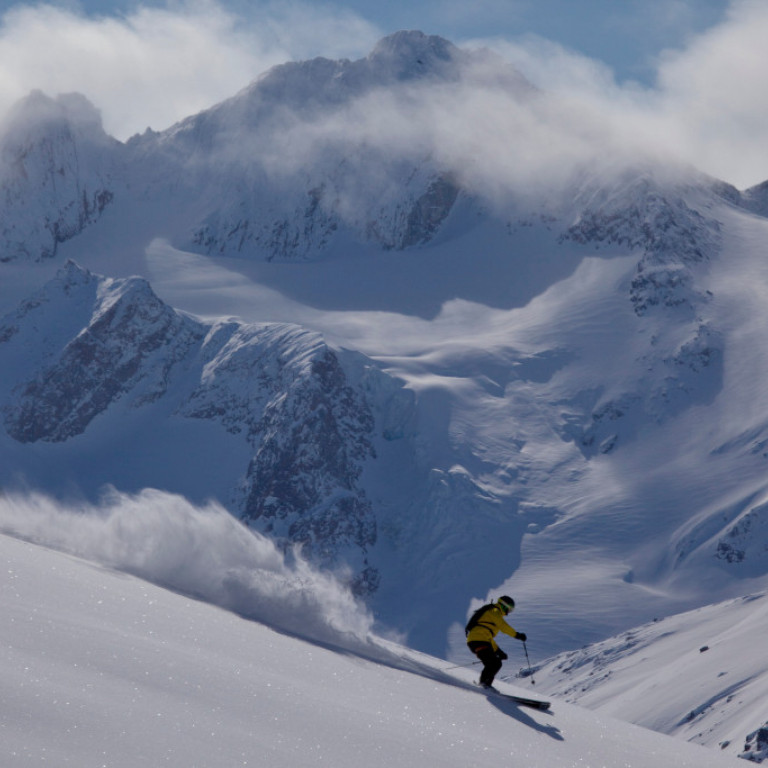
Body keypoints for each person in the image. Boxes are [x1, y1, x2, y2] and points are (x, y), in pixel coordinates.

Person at [466, 595, 527, 689]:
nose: (509, 612)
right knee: (494, 663)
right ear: (504, 605)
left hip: (478, 639)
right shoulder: (494, 611)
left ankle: (485, 685)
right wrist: (517, 635)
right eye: (509, 609)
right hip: (479, 639)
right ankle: (484, 685)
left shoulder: (492, 613)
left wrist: (498, 651)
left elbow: (489, 638)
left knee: (494, 663)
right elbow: (503, 626)